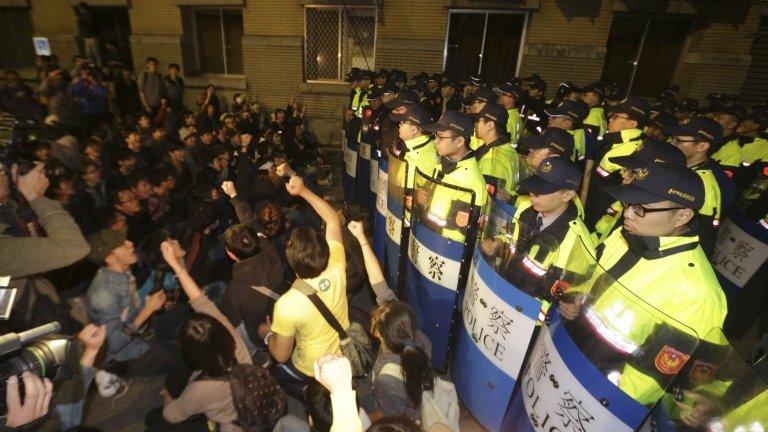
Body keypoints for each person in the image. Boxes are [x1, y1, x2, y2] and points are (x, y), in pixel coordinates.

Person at [558, 162, 728, 406]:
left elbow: (652, 378)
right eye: (628, 204)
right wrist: (576, 295)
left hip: (599, 397)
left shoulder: (697, 291)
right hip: (567, 353)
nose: (626, 214)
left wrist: (604, 400)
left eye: (640, 208)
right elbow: (591, 278)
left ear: (682, 215)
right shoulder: (625, 237)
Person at [154, 240, 286, 432]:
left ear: (192, 356)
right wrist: (177, 266)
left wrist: (166, 397)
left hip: (234, 425)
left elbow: (172, 414)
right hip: (254, 404)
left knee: (156, 420)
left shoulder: (199, 391)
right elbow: (202, 303)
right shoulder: (235, 344)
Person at [258, 170, 348, 399]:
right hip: (343, 350)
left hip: (311, 368)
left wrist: (268, 335)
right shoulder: (337, 265)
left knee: (274, 371)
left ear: (292, 262)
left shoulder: (288, 304)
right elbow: (331, 219)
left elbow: (280, 354)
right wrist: (304, 191)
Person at [0, 163, 90, 327]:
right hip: (25, 327)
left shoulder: (8, 211)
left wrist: (10, 196)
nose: (3, 175)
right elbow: (74, 246)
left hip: (36, 308)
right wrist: (35, 197)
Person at [85, 227, 168, 367]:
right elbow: (114, 343)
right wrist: (147, 310)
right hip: (129, 354)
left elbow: (128, 309)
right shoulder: (104, 296)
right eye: (122, 244)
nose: (130, 243)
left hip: (142, 333)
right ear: (110, 258)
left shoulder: (123, 270)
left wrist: (148, 303)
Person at [591, 139, 687, 244]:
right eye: (626, 169)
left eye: (633, 172)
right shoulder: (629, 205)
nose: (624, 175)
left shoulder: (648, 226)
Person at [417, 110, 488, 242]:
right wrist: (424, 193)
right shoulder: (443, 163)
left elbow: (464, 232)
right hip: (426, 237)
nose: (435, 142)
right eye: (435, 136)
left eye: (441, 137)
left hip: (446, 250)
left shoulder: (472, 181)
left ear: (460, 141)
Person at [220, 223, 285, 356]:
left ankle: (253, 355)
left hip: (262, 333)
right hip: (283, 318)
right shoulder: (271, 252)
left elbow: (231, 321)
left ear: (230, 254)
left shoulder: (235, 290)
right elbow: (257, 232)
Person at [584, 96, 649, 228]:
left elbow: (622, 196)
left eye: (616, 116)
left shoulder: (633, 150)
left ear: (632, 124)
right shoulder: (613, 141)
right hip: (590, 208)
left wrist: (602, 222)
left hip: (600, 218)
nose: (610, 119)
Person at [665, 116, 726, 256]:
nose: (671, 144)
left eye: (678, 140)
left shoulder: (702, 185)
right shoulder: (682, 170)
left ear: (702, 146)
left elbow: (701, 235)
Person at [470, 103, 519, 200]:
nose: (475, 124)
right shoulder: (508, 148)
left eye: (479, 121)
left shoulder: (493, 158)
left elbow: (487, 199)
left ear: (490, 125)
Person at [712, 104, 746, 177]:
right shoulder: (712, 139)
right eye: (715, 116)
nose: (714, 119)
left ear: (731, 124)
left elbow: (721, 180)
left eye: (719, 118)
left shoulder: (732, 151)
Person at [494, 81, 525, 147]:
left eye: (504, 94)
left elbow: (502, 141)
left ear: (513, 100)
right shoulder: (515, 114)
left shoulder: (508, 117)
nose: (500, 96)